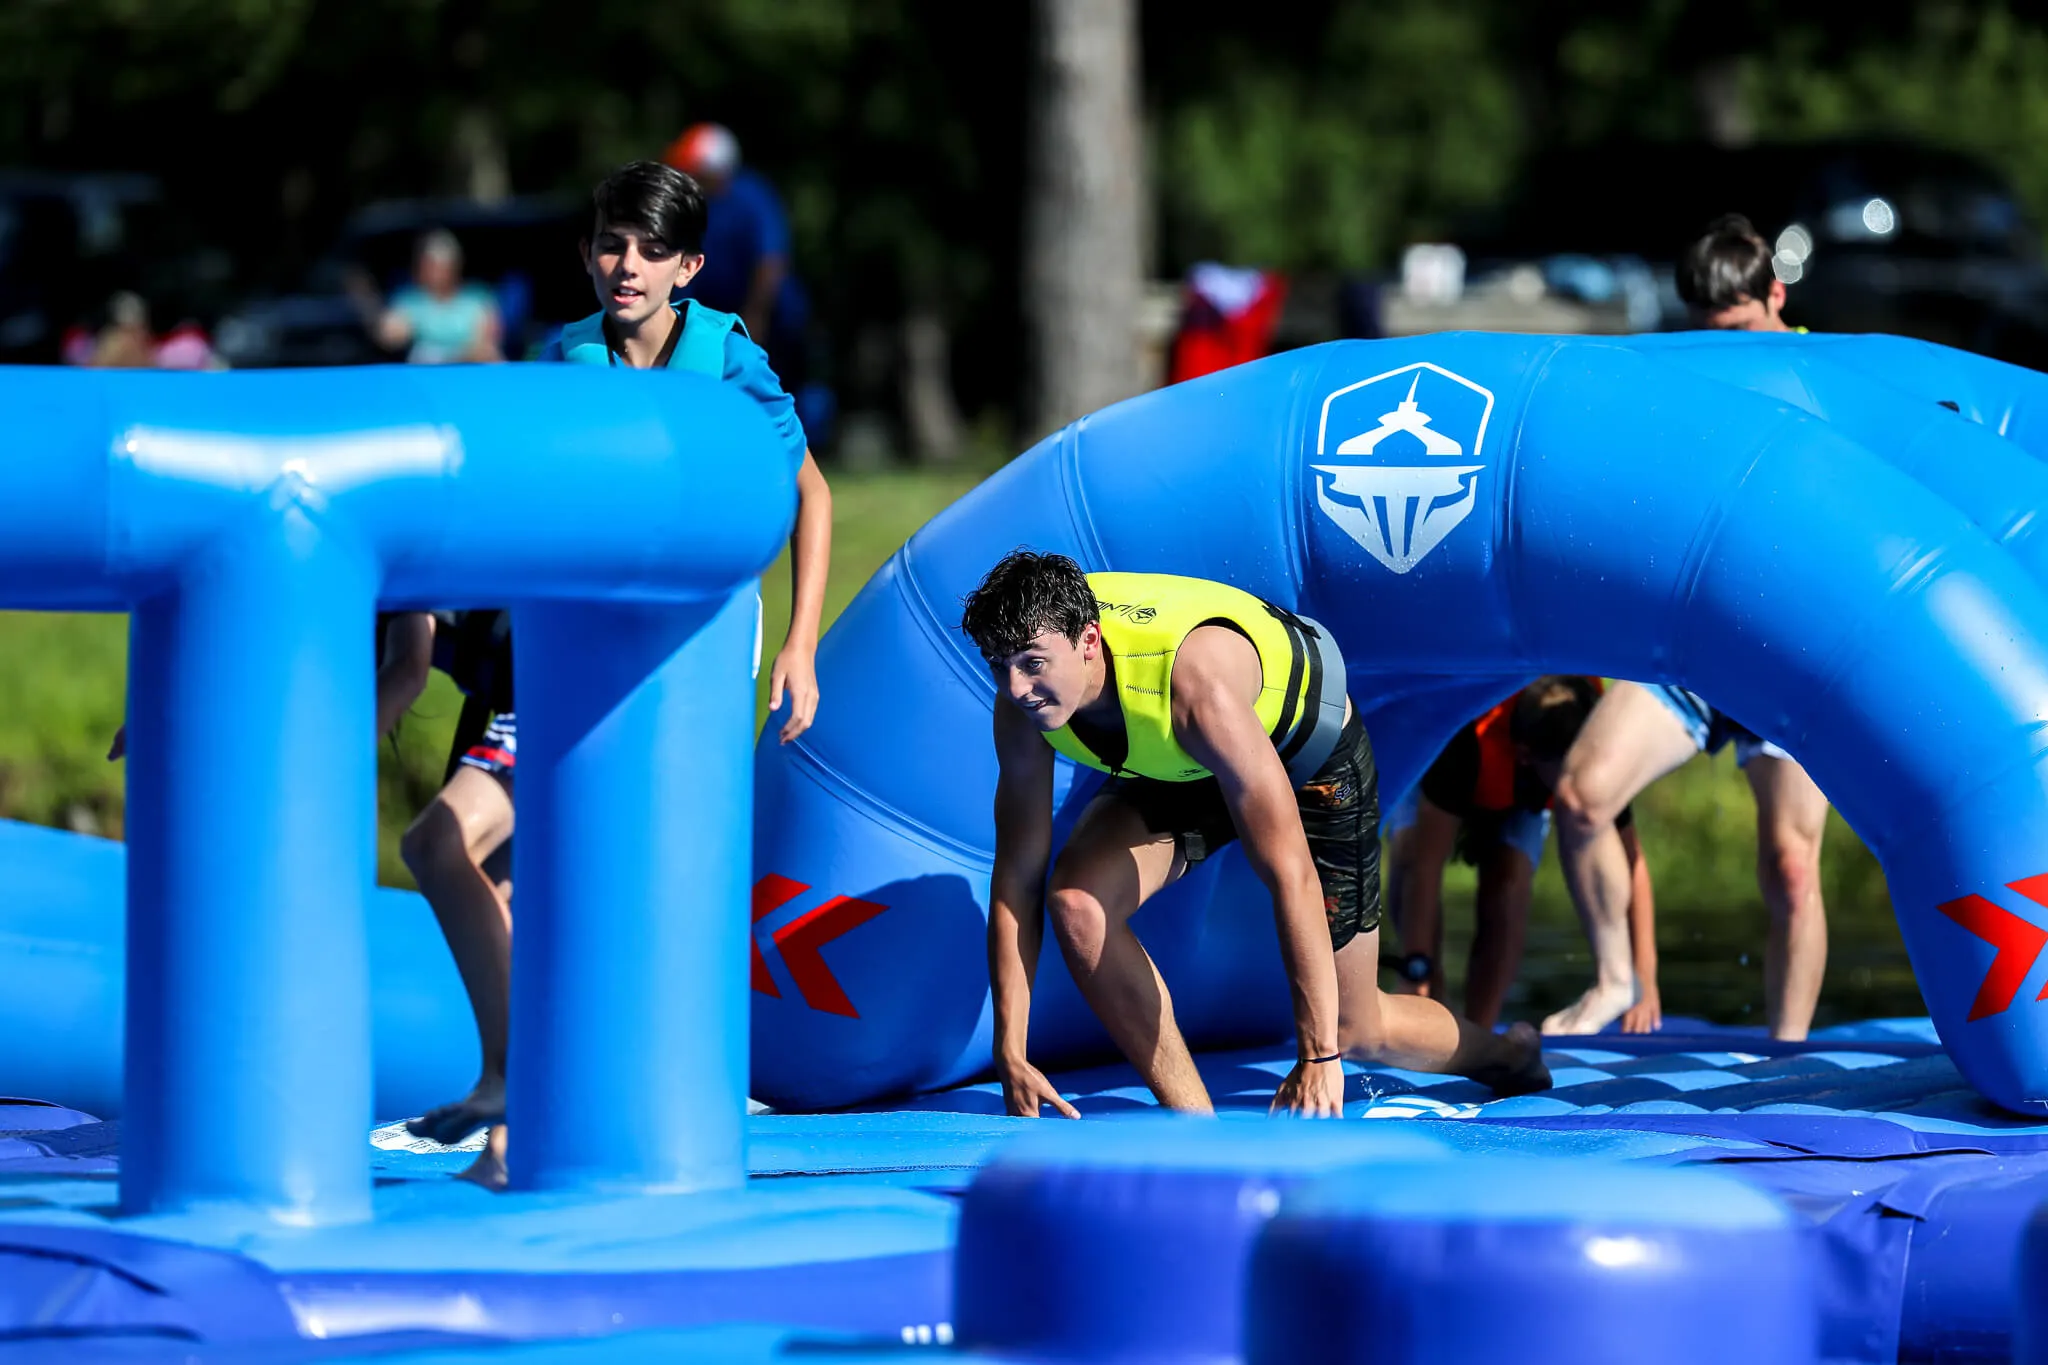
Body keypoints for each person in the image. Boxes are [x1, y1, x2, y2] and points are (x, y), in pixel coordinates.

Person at [394, 161, 832, 1185]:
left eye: (649, 250)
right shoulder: (564, 360)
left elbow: (810, 493)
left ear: (689, 267)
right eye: (609, 244)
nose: (625, 265)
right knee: (484, 860)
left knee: (587, 861)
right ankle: (521, 1096)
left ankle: (550, 1092)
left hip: (685, 659)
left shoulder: (728, 361)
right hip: (565, 656)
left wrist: (802, 645)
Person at [961, 552, 1550, 1118]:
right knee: (1078, 904)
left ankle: (1508, 1055)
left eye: (1032, 663)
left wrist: (1319, 1056)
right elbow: (1017, 873)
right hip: (1191, 756)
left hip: (1306, 749)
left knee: (1354, 1027)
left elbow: (1291, 874)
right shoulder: (1022, 703)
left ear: (1088, 640)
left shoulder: (1195, 688)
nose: (1017, 687)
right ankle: (1197, 1128)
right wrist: (1011, 1049)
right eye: (999, 664)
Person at [1541, 214, 1829, 1039]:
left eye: (1739, 331)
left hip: (1792, 639)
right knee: (1582, 796)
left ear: (1776, 298)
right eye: (1709, 335)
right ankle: (1613, 980)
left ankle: (1787, 1052)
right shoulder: (1683, 378)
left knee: (1791, 864)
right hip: (1701, 635)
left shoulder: (1826, 376)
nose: (1724, 352)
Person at [1383, 677, 1658, 1031]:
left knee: (1508, 884)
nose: (1580, 779)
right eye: (1568, 772)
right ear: (1527, 757)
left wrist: (1646, 977)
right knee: (1407, 855)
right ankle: (1433, 1006)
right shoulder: (1464, 749)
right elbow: (1426, 867)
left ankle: (1479, 1030)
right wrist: (1416, 967)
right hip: (1449, 746)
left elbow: (1632, 859)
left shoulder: (1596, 760)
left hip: (1523, 779)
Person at [662, 123, 806, 376]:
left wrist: (755, 318)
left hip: (773, 322)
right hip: (714, 318)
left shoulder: (751, 197)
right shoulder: (692, 206)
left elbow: (770, 262)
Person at [375, 229, 502, 364]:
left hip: (468, 367)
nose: (435, 271)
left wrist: (458, 356)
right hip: (422, 370)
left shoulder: (477, 297)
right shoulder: (408, 299)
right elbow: (388, 335)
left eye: (441, 265)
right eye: (429, 264)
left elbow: (487, 341)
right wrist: (395, 330)